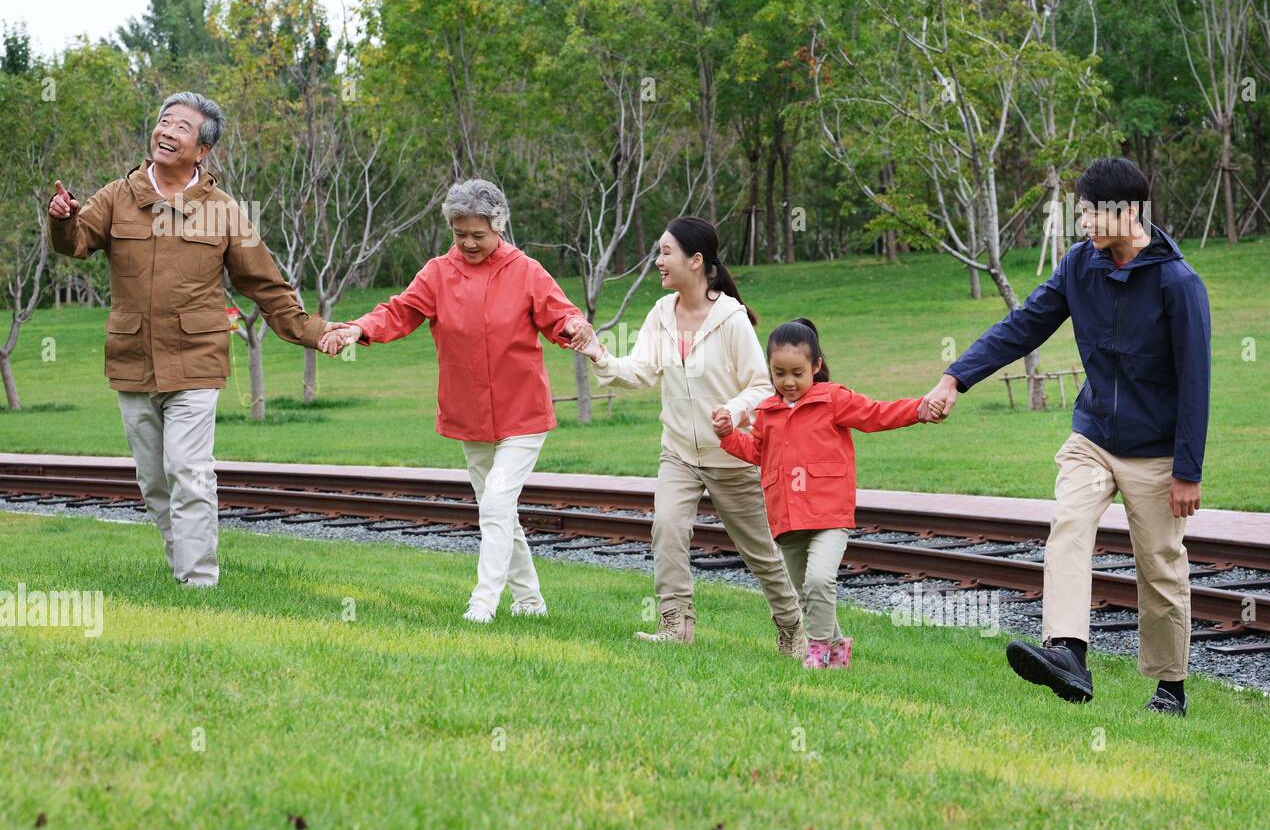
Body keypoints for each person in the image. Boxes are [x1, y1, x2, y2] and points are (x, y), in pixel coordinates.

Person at [922, 157, 1211, 716]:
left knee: (1160, 563)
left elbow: (1196, 384)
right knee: (1069, 523)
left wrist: (1187, 470)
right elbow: (1024, 324)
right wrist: (955, 377)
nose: (1082, 223)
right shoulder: (1081, 265)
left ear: (1127, 213)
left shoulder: (1178, 283)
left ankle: (1170, 688)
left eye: (1088, 212)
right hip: (1094, 434)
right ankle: (1069, 654)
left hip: (1156, 449)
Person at [46, 91, 339, 588]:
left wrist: (313, 331)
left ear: (202, 150)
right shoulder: (119, 195)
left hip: (196, 359)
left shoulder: (223, 211)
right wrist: (61, 218)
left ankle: (198, 580)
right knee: (154, 481)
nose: (167, 131)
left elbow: (263, 281)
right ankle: (181, 563)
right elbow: (75, 242)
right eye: (164, 122)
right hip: (133, 359)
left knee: (189, 470)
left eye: (182, 127)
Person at [321, 179, 594, 622]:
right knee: (498, 507)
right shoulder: (437, 273)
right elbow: (399, 311)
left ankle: (482, 603)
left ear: (498, 226)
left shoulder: (526, 271)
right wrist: (358, 328)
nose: (467, 243)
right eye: (459, 233)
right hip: (468, 413)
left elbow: (560, 315)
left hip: (522, 412)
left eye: (477, 235)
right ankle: (530, 602)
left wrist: (575, 327)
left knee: (497, 502)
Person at [574, 217, 805, 653]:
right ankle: (676, 625)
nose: (658, 261)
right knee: (667, 528)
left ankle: (792, 627)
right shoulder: (661, 314)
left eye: (666, 252)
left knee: (758, 551)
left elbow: (761, 385)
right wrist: (599, 355)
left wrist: (732, 412)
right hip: (678, 451)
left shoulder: (731, 320)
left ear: (696, 261)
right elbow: (641, 372)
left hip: (730, 454)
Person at [714, 318, 937, 668]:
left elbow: (876, 414)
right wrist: (728, 434)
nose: (788, 382)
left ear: (816, 367)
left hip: (828, 514)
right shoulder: (767, 413)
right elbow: (757, 453)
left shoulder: (833, 399)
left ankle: (816, 651)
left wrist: (919, 409)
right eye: (779, 373)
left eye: (797, 373)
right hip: (786, 516)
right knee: (805, 592)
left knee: (819, 580)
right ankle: (838, 650)